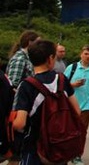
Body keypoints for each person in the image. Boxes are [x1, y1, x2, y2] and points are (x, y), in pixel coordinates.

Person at [12, 39, 80, 165]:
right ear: (50, 58)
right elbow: (76, 111)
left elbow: (20, 123)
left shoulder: (26, 85)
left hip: (34, 147)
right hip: (58, 145)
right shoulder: (62, 80)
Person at [64, 45, 89, 165]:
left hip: (86, 105)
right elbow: (63, 85)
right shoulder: (72, 67)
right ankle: (66, 153)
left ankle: (77, 155)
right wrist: (74, 84)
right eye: (86, 54)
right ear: (81, 54)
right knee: (68, 130)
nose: (88, 56)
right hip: (71, 104)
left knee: (82, 130)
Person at [6, 30, 39, 165]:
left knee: (19, 152)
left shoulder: (27, 58)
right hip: (18, 110)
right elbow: (12, 86)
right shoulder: (20, 59)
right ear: (29, 42)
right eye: (37, 42)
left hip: (24, 108)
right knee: (15, 151)